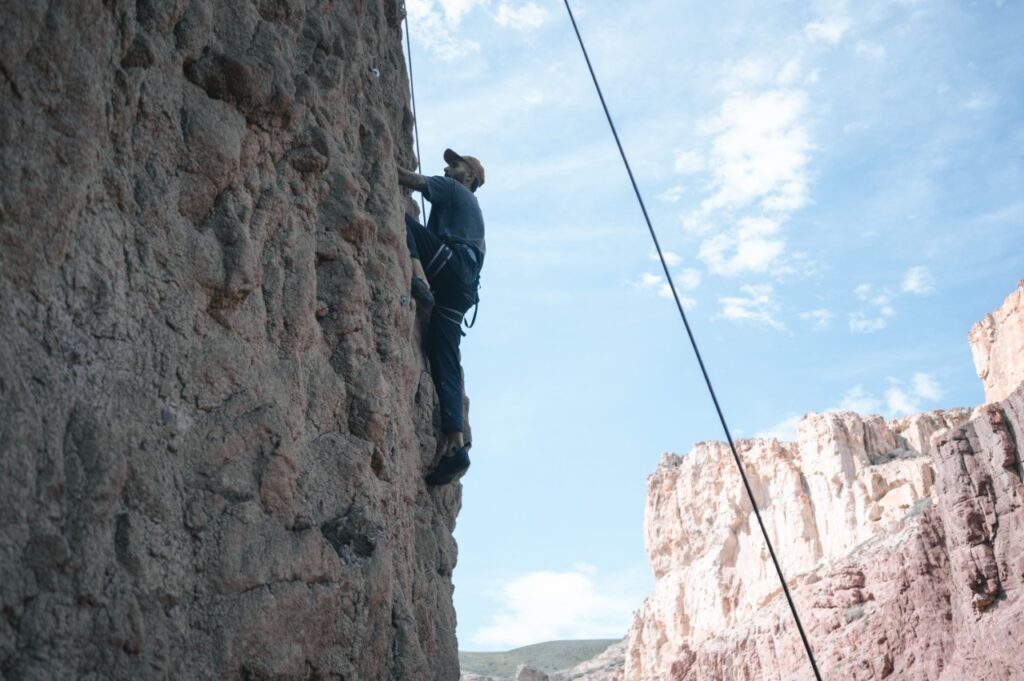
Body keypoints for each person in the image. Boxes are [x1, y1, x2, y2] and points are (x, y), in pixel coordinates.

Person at [398, 148, 486, 486]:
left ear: (469, 177)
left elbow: (408, 179)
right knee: (443, 354)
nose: (448, 167)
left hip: (450, 265)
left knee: (403, 223)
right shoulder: (466, 208)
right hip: (463, 289)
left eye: (456, 164)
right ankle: (455, 443)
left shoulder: (454, 190)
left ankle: (418, 275)